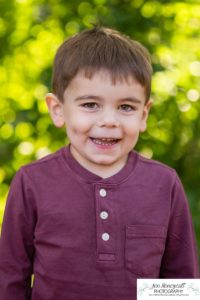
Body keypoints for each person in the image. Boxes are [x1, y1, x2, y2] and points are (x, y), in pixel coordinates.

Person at [0, 26, 199, 300]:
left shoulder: (163, 185)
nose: (109, 120)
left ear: (144, 114)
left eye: (126, 107)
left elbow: (179, 282)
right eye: (91, 104)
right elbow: (10, 278)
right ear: (58, 110)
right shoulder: (32, 182)